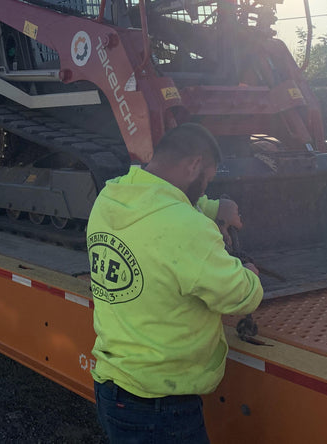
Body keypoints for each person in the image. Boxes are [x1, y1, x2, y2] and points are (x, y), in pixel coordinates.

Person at [87, 122, 263, 442]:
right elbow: (240, 297)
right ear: (194, 164)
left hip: (113, 385)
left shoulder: (111, 196)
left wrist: (212, 207)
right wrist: (249, 273)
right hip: (160, 405)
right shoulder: (188, 228)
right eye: (207, 179)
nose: (206, 187)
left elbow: (163, 204)